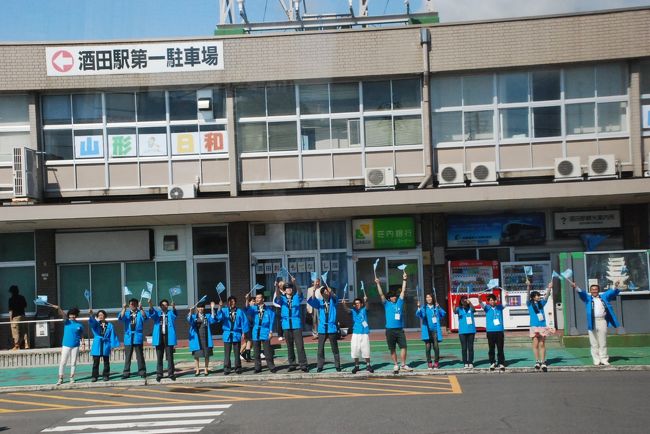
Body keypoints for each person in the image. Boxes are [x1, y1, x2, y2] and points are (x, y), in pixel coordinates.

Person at [572, 281, 621, 366]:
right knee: (594, 342)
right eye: (592, 290)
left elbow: (611, 292)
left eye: (596, 289)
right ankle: (596, 359)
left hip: (602, 321)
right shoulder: (587, 298)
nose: (594, 291)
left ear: (598, 290)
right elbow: (581, 293)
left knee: (603, 341)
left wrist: (615, 286)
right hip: (592, 321)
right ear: (590, 291)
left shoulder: (604, 297)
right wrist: (576, 287)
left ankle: (604, 359)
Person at [376, 271, 412, 374]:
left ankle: (403, 364)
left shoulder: (400, 302)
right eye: (392, 296)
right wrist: (378, 284)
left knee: (404, 346)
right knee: (392, 348)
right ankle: (396, 364)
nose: (394, 297)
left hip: (399, 329)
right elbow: (381, 294)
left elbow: (403, 291)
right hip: (390, 330)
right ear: (389, 298)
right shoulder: (386, 304)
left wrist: (404, 279)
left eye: (395, 296)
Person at [274, 278, 309, 372]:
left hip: (296, 324)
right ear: (284, 290)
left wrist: (295, 283)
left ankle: (303, 364)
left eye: (290, 288)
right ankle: (292, 364)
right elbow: (277, 297)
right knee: (289, 346)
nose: (289, 289)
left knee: (300, 346)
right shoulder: (282, 299)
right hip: (286, 325)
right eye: (287, 288)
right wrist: (277, 287)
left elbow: (301, 293)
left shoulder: (296, 297)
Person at [308, 285, 341, 372]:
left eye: (327, 291)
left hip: (331, 328)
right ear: (322, 294)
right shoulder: (320, 302)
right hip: (322, 328)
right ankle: (320, 366)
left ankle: (337, 365)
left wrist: (331, 292)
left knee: (334, 348)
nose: (326, 293)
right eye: (324, 292)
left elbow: (335, 297)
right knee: (320, 348)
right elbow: (312, 300)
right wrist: (314, 291)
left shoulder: (333, 301)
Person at [216, 296, 250, 375]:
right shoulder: (224, 310)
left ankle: (238, 368)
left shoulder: (240, 311)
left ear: (235, 302)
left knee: (237, 352)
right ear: (228, 302)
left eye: (233, 301)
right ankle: (227, 368)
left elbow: (244, 322)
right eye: (230, 301)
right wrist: (220, 307)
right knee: (227, 353)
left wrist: (244, 332)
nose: (232, 303)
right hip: (227, 334)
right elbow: (219, 317)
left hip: (236, 334)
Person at [53, 305, 85, 385]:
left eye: (74, 315)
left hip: (76, 345)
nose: (72, 316)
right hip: (66, 345)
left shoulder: (79, 325)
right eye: (71, 314)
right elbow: (63, 314)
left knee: (73, 362)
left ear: (76, 315)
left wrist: (83, 343)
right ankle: (60, 378)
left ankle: (71, 378)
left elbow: (81, 335)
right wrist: (59, 308)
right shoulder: (67, 322)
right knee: (63, 362)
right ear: (69, 315)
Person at [342, 295, 373, 373]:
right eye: (355, 303)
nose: (357, 304)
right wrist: (343, 304)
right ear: (354, 305)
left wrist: (366, 301)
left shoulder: (364, 310)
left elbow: (368, 306)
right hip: (355, 333)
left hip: (364, 333)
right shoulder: (353, 311)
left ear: (362, 304)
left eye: (359, 303)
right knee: (355, 350)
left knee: (366, 350)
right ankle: (356, 366)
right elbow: (346, 310)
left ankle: (368, 365)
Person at [246, 293, 277, 373]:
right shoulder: (253, 308)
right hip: (256, 331)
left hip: (265, 331)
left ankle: (271, 366)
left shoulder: (268, 309)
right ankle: (257, 367)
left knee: (267, 351)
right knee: (256, 351)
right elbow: (247, 309)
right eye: (256, 298)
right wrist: (247, 299)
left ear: (263, 299)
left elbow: (272, 321)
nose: (257, 299)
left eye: (259, 298)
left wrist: (271, 331)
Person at [118, 298, 148, 379]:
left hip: (137, 336)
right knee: (128, 356)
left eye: (135, 304)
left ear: (137, 305)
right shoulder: (127, 313)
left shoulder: (140, 312)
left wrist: (141, 309)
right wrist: (124, 308)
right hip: (128, 336)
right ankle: (126, 372)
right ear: (129, 305)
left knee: (140, 355)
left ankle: (142, 371)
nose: (133, 305)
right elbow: (121, 317)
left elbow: (145, 317)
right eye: (131, 304)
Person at [149, 299, 178, 382]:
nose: (164, 306)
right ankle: (159, 374)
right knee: (159, 357)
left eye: (166, 305)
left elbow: (175, 314)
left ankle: (171, 373)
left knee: (170, 357)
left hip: (168, 337)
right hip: (159, 337)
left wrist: (174, 307)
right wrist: (150, 304)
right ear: (160, 306)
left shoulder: (170, 313)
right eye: (162, 305)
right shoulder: (158, 313)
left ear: (167, 306)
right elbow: (152, 314)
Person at [527, 281, 553, 372]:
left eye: (539, 295)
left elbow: (546, 296)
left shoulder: (541, 303)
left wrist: (549, 287)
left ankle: (543, 362)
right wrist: (528, 286)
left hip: (542, 326)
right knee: (535, 344)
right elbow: (527, 295)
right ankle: (537, 361)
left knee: (542, 344)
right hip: (534, 326)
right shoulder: (529, 304)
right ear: (533, 297)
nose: (539, 296)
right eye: (537, 295)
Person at [416, 293, 446, 370]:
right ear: (426, 299)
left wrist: (439, 307)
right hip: (427, 330)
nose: (428, 298)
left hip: (435, 330)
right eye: (427, 297)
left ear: (432, 298)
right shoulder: (424, 308)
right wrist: (418, 307)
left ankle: (436, 362)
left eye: (430, 297)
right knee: (428, 347)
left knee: (436, 347)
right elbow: (420, 315)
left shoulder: (436, 307)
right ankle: (429, 362)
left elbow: (443, 314)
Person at [88, 309, 119, 382]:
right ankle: (94, 376)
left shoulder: (110, 325)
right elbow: (92, 322)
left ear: (105, 316)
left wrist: (112, 345)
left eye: (102, 315)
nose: (100, 316)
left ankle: (106, 375)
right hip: (97, 343)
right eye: (99, 315)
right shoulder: (96, 323)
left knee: (106, 361)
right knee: (96, 362)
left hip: (106, 343)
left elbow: (112, 335)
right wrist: (91, 315)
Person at [188, 301, 217, 375]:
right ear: (197, 308)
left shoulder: (207, 316)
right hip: (197, 338)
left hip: (206, 337)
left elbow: (213, 319)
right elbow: (189, 320)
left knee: (206, 354)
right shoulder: (194, 316)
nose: (201, 308)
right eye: (199, 307)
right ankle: (197, 370)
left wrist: (212, 308)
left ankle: (206, 369)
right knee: (196, 355)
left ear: (204, 308)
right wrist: (190, 312)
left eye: (202, 307)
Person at [480, 293, 506, 371]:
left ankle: (501, 363)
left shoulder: (499, 307)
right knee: (491, 348)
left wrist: (506, 296)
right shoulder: (487, 308)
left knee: (500, 348)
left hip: (499, 331)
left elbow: (506, 303)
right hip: (490, 331)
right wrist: (479, 298)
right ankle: (492, 363)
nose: (491, 301)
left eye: (492, 300)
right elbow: (481, 303)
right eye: (490, 300)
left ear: (495, 300)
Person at [454, 295, 476, 369]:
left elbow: (474, 309)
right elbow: (454, 311)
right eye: (463, 300)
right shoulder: (459, 309)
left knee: (470, 347)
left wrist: (470, 303)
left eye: (465, 299)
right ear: (460, 301)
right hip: (462, 332)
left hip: (471, 330)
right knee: (464, 348)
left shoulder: (470, 308)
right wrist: (454, 304)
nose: (464, 301)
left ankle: (470, 362)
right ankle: (465, 362)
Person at [8, 285, 29, 350]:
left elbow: (10, 310)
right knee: (24, 331)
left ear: (12, 292)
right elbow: (25, 305)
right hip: (23, 316)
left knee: (15, 332)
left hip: (15, 317)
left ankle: (17, 346)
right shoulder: (22, 297)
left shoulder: (11, 299)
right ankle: (26, 344)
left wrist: (10, 320)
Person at [240, 297, 255, 363]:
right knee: (248, 341)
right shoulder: (246, 308)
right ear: (249, 302)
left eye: (254, 301)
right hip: (247, 327)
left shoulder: (255, 309)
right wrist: (246, 299)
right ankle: (247, 356)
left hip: (253, 327)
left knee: (249, 342)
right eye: (252, 301)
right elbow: (246, 305)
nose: (253, 302)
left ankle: (243, 354)